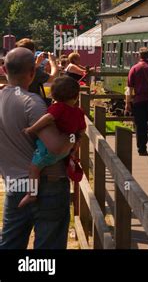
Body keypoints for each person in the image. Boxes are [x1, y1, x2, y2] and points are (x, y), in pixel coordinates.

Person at [0, 48, 73, 249]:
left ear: (4, 68)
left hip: (15, 186)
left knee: (10, 244)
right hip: (48, 185)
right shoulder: (32, 103)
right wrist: (74, 137)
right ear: (33, 72)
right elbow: (56, 147)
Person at [19, 76, 86, 207]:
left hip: (48, 150)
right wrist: (75, 145)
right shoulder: (78, 112)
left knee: (34, 169)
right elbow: (82, 130)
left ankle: (31, 194)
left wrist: (31, 129)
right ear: (76, 96)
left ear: (54, 95)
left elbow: (48, 119)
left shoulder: (58, 107)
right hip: (65, 150)